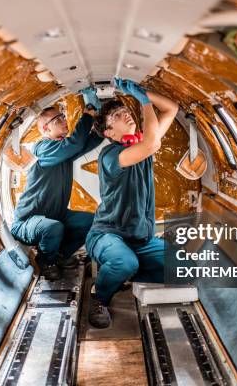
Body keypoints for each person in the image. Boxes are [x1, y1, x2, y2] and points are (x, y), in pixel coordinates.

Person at [86, 78, 178, 328]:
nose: (125, 113)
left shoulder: (142, 145)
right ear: (109, 133)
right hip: (107, 235)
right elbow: (151, 144)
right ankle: (99, 296)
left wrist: (143, 92)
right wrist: (143, 101)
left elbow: (172, 109)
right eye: (116, 115)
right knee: (123, 262)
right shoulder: (111, 155)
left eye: (124, 110)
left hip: (141, 239)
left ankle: (124, 276)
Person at [11, 88, 103, 280]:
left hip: (57, 216)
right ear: (46, 129)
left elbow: (86, 143)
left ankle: (61, 255)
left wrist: (103, 126)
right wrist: (88, 112)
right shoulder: (42, 148)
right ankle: (47, 262)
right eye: (58, 119)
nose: (64, 121)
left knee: (92, 221)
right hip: (27, 222)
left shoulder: (62, 149)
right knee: (52, 228)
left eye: (63, 116)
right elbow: (75, 145)